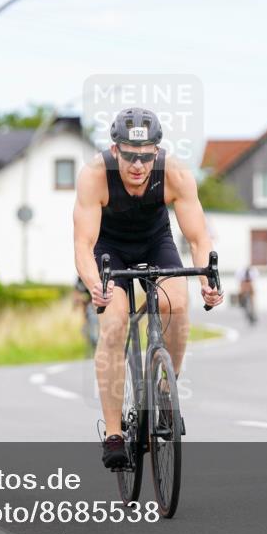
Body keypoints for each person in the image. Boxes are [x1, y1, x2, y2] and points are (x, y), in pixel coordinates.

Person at [73, 107, 224, 468]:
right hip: (109, 249)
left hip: (155, 240)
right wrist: (96, 285)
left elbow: (199, 237)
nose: (137, 165)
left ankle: (165, 389)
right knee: (114, 324)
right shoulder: (94, 176)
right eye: (129, 155)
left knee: (176, 302)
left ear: (156, 151)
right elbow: (82, 244)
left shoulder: (176, 174)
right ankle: (113, 433)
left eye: (145, 156)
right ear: (115, 150)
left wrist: (207, 280)